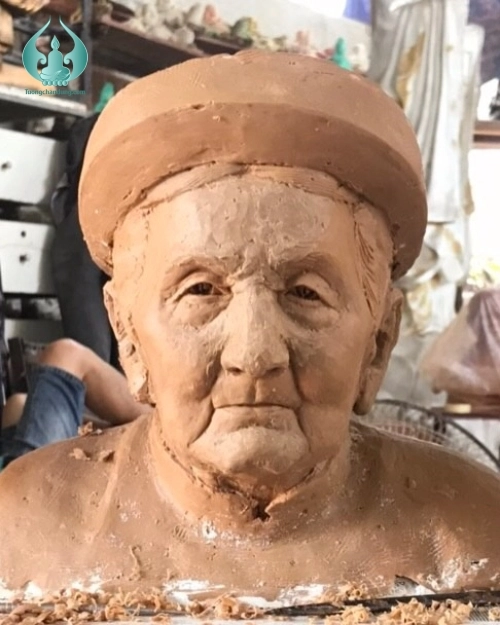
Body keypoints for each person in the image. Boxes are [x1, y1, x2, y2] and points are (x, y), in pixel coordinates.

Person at [0, 51, 499, 600]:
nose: (255, 353)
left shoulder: (478, 532)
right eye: (200, 291)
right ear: (128, 335)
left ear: (378, 342)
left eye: (306, 294)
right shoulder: (22, 531)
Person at [0, 339, 150, 469]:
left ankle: (125, 432)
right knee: (66, 354)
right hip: (25, 486)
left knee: (17, 405)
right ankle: (161, 425)